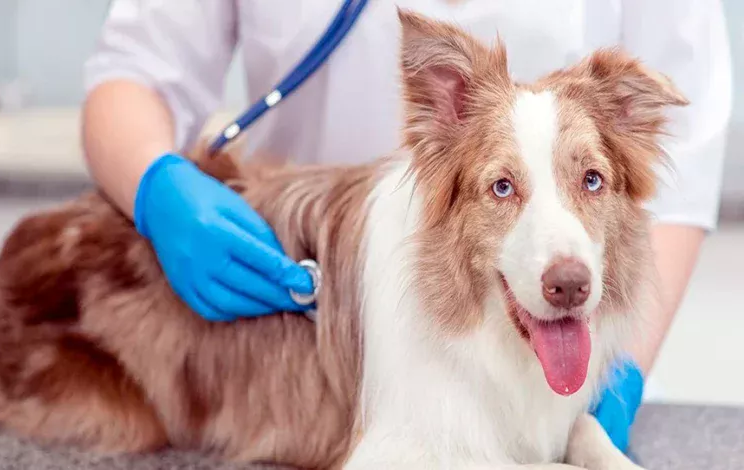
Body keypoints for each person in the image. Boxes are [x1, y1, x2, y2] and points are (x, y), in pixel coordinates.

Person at [81, 0, 732, 455]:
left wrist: (619, 378)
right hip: (304, 290)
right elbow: (133, 68)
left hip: (570, 342)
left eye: (587, 179)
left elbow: (687, 162)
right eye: (504, 184)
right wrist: (154, 185)